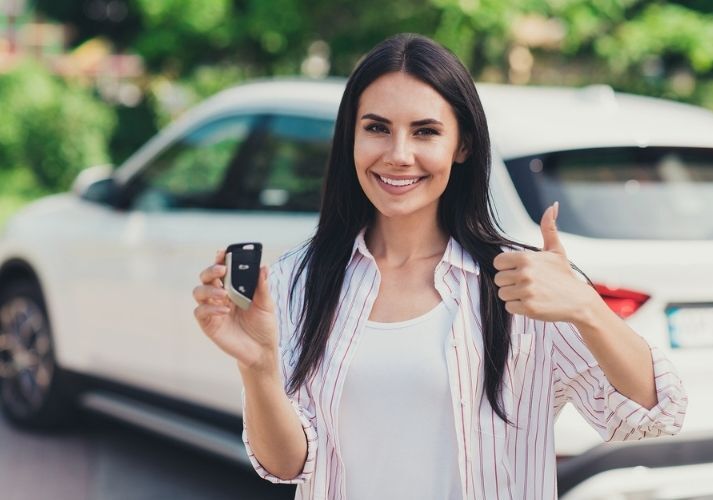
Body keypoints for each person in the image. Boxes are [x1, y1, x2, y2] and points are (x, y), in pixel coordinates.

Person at [192, 33, 687, 500]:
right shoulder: (296, 279)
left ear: (463, 145)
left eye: (425, 131)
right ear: (351, 139)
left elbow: (654, 417)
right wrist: (258, 368)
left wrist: (587, 308)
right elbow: (287, 466)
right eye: (377, 129)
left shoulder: (522, 284)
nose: (399, 155)